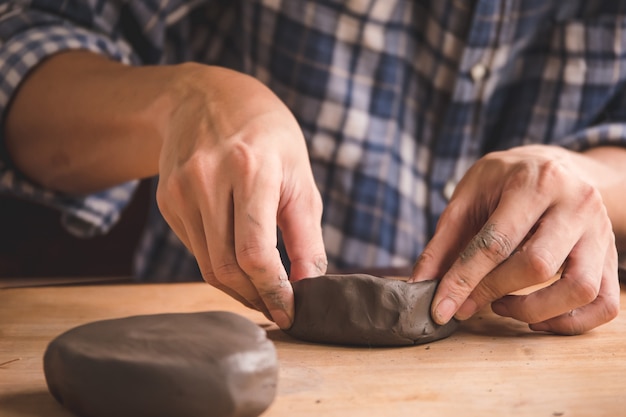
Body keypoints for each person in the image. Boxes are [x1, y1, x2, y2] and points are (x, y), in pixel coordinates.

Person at [0, 0, 624, 334]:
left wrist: (584, 179)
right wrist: (183, 100)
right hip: (213, 325)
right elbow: (25, 42)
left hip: (513, 354)